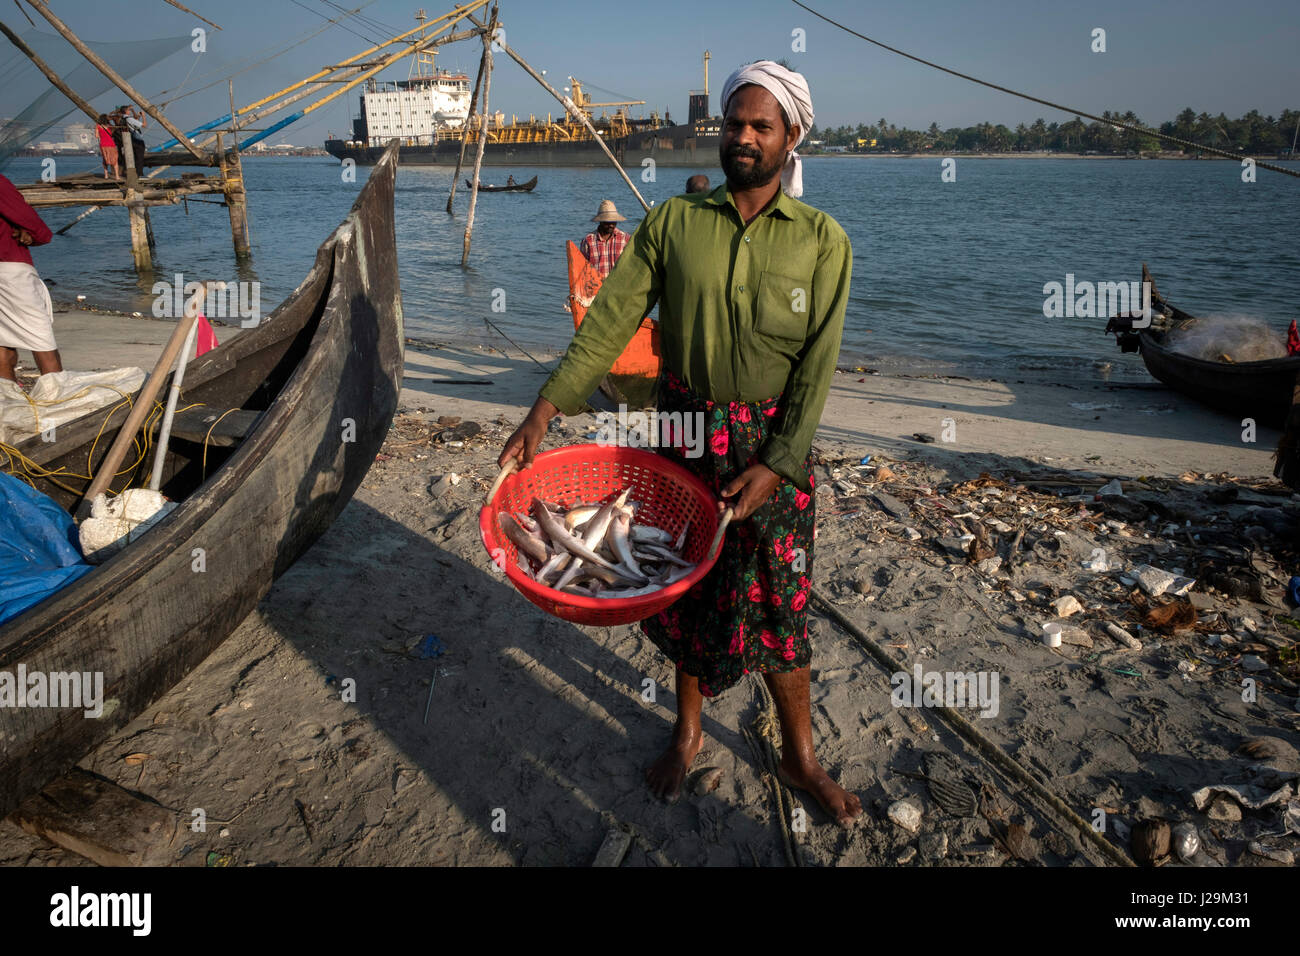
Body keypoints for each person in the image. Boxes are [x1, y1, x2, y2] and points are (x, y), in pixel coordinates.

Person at [499, 61, 860, 826]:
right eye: (735, 124)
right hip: (687, 432)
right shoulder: (673, 224)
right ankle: (689, 732)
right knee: (689, 595)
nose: (744, 138)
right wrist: (545, 409)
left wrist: (777, 462)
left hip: (773, 446)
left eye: (762, 126)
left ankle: (800, 759)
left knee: (782, 608)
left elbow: (819, 367)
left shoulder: (824, 242)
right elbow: (609, 323)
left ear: (792, 137)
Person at [0, 174, 61, 382]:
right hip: (9, 269)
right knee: (42, 341)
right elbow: (35, 226)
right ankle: (57, 396)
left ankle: (7, 400)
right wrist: (30, 234)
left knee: (3, 344)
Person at [578, 199, 630, 278]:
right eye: (607, 223)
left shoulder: (625, 239)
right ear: (600, 221)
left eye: (613, 222)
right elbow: (582, 269)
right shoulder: (588, 241)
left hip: (619, 287)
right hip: (596, 287)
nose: (611, 225)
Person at [123, 106, 147, 175]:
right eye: (129, 110)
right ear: (126, 111)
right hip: (138, 140)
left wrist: (138, 114)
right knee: (140, 158)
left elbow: (135, 120)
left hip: (132, 139)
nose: (130, 111)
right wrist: (143, 116)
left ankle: (137, 173)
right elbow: (144, 125)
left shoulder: (124, 118)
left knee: (136, 157)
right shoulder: (129, 119)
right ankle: (140, 174)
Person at [96, 114, 120, 181]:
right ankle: (117, 176)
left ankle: (106, 175)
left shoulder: (98, 126)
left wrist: (102, 135)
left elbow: (96, 136)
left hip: (103, 145)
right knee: (115, 160)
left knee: (105, 159)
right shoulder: (110, 126)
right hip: (111, 144)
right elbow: (114, 131)